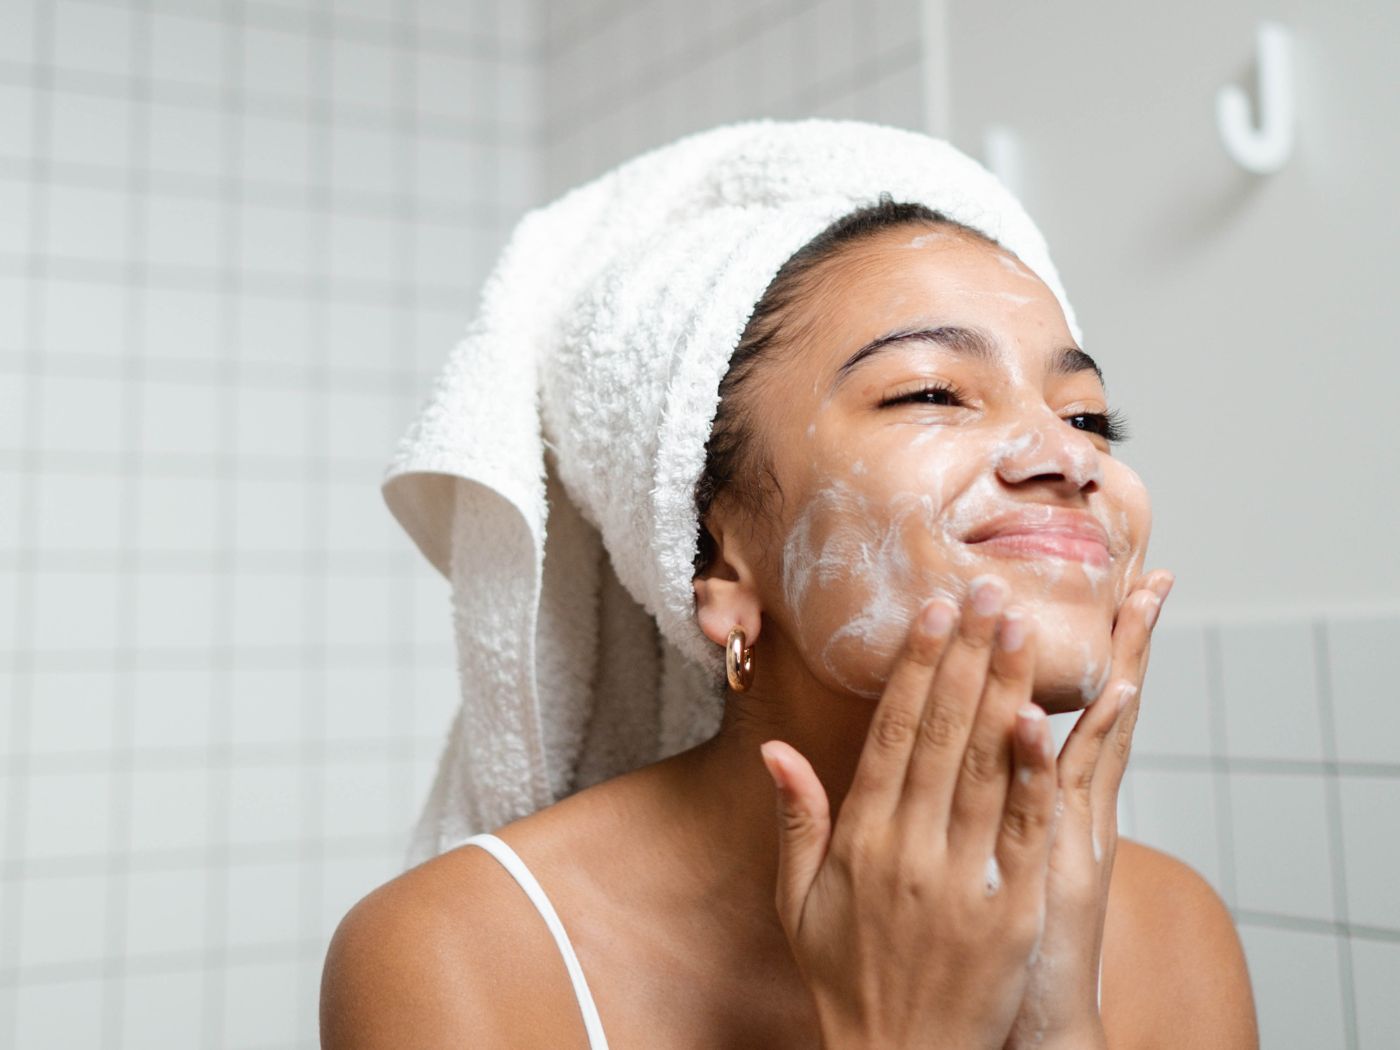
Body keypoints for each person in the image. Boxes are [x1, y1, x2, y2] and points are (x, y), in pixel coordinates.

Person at [321, 134, 1258, 1049]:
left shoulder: (1167, 932)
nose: (1068, 456)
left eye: (1089, 415)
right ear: (720, 561)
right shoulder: (461, 956)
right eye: (931, 392)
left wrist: (1058, 1031)